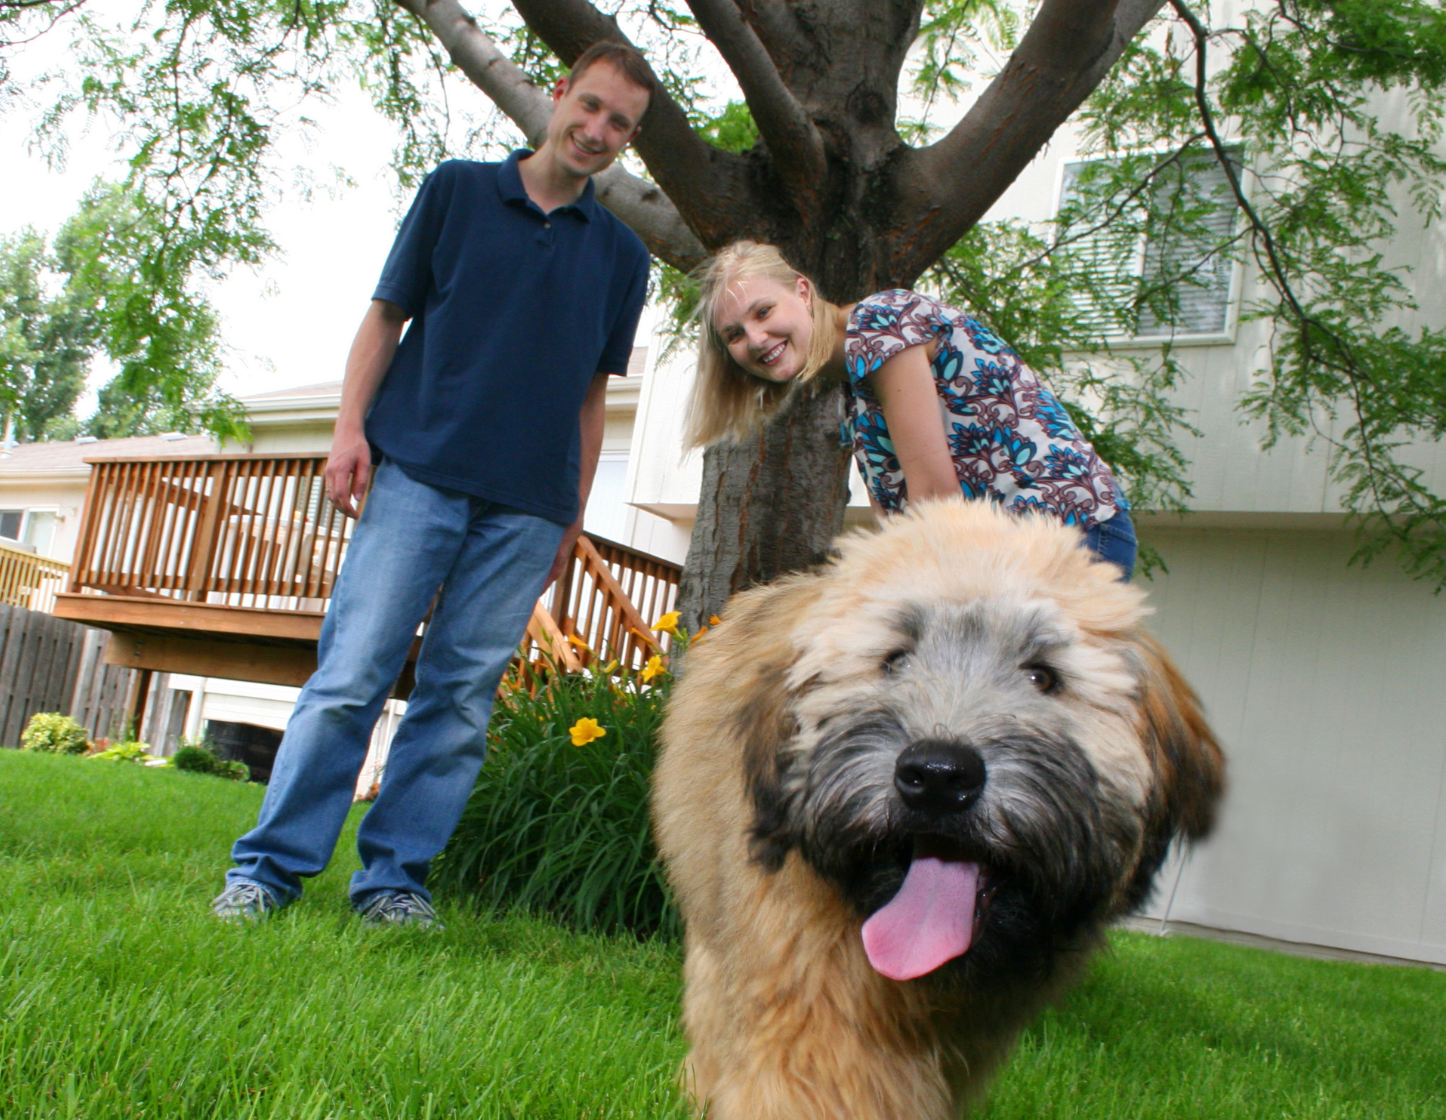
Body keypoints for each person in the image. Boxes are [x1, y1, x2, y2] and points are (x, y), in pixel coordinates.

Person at [210, 43, 654, 928]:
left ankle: (393, 884)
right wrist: (348, 433)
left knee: (457, 702)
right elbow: (385, 319)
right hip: (417, 471)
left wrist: (571, 514)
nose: (598, 131)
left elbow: (592, 399)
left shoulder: (620, 256)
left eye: (620, 125)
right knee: (352, 677)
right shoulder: (456, 191)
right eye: (592, 107)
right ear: (558, 94)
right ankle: (267, 871)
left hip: (527, 507)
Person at [686, 241, 1138, 578]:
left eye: (763, 312)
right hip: (1012, 550)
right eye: (735, 335)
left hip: (1072, 532)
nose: (756, 338)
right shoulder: (854, 393)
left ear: (802, 292)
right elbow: (900, 520)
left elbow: (936, 503)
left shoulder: (881, 323)